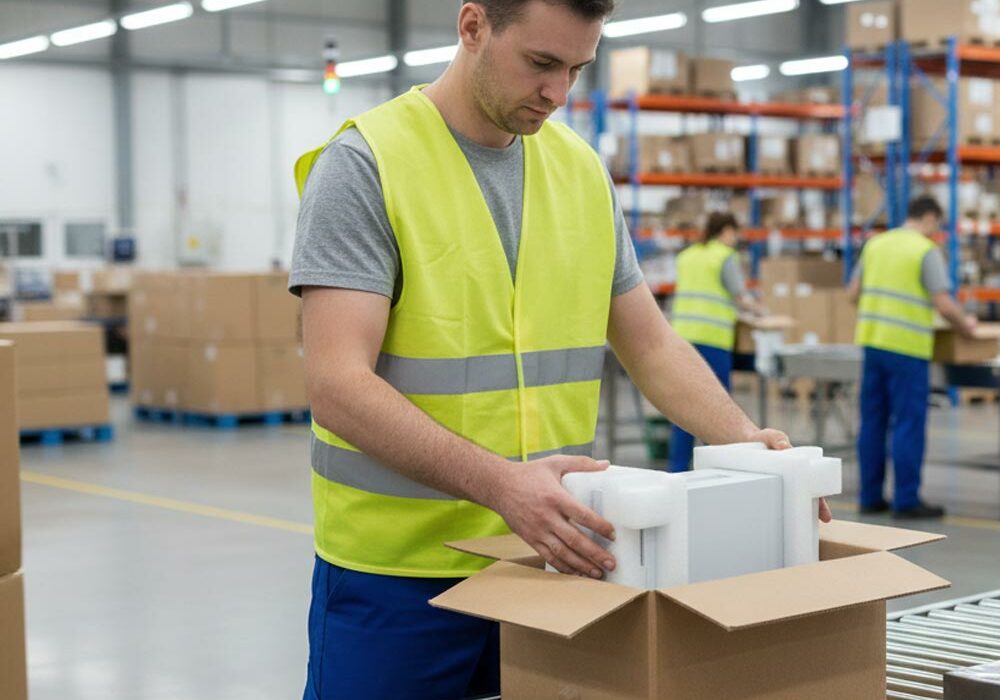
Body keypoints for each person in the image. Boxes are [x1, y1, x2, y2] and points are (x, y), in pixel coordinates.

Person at [289, 2, 829, 698]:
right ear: (473, 26)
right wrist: (503, 485)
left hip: (552, 563)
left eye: (577, 68)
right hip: (398, 579)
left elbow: (651, 344)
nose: (558, 93)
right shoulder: (367, 165)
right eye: (541, 63)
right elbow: (336, 384)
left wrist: (747, 440)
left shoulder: (578, 169)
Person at [849, 195, 977, 519]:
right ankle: (906, 500)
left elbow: (852, 294)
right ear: (931, 217)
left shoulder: (875, 244)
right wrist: (967, 327)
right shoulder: (924, 250)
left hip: (873, 345)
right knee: (907, 423)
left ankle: (870, 496)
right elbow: (944, 304)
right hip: (907, 350)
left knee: (873, 422)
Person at [668, 212, 766, 472]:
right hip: (712, 341)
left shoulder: (686, 256)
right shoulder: (724, 257)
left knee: (682, 406)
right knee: (715, 409)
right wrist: (761, 311)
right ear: (725, 231)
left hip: (682, 339)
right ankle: (717, 471)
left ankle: (677, 469)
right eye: (734, 233)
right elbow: (740, 296)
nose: (735, 239)